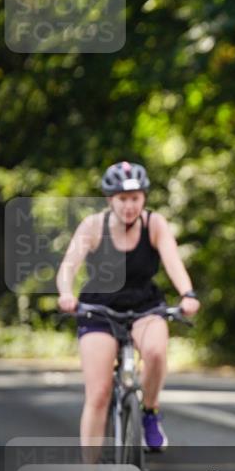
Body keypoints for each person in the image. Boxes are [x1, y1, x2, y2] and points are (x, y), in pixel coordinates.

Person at [57, 161, 200, 453]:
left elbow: (173, 262)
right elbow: (69, 266)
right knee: (98, 394)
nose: (129, 206)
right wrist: (65, 294)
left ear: (144, 197)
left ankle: (149, 411)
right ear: (110, 200)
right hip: (99, 308)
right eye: (122, 199)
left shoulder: (153, 224)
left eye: (135, 198)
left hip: (145, 305)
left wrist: (188, 294)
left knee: (156, 354)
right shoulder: (93, 226)